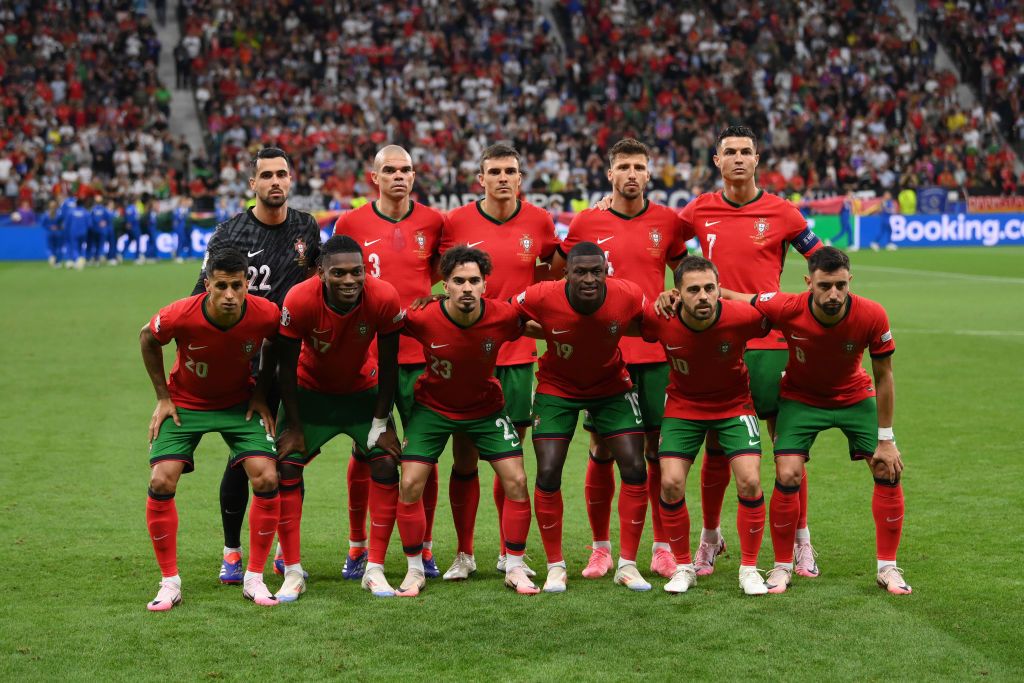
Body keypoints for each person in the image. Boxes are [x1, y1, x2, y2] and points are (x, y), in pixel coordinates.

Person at [677, 125, 823, 579]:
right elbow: (659, 239)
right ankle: (710, 537)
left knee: (787, 450)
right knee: (718, 444)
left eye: (745, 152)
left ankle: (802, 541)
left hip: (771, 341)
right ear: (716, 161)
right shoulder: (699, 210)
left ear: (757, 158)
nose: (738, 159)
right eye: (729, 152)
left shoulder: (783, 213)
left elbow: (820, 261)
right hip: (716, 342)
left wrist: (806, 307)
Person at [727, 246, 910, 595]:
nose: (834, 294)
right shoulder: (787, 307)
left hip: (854, 397)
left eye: (841, 285)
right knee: (787, 472)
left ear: (850, 280)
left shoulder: (871, 314)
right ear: (808, 281)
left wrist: (886, 438)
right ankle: (782, 566)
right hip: (801, 399)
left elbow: (884, 375)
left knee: (888, 467)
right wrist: (689, 292)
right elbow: (742, 297)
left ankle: (888, 568)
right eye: (825, 285)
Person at [561, 137, 692, 580]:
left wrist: (674, 294)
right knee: (601, 448)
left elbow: (684, 273)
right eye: (624, 166)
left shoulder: (668, 223)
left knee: (655, 451)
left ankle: (660, 548)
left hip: (656, 353)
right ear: (610, 174)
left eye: (639, 166)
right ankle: (600, 549)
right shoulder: (584, 224)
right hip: (605, 353)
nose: (632, 174)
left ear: (649, 173)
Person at [192, 147, 322, 585]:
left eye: (282, 174)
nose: (275, 182)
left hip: (293, 362)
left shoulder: (306, 227)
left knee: (289, 456)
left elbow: (319, 285)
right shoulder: (230, 233)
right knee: (240, 459)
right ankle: (232, 552)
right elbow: (200, 297)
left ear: (291, 179)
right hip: (246, 365)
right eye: (266, 175)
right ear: (252, 184)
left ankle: (288, 552)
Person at [439, 143, 561, 581]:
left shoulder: (540, 220)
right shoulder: (456, 222)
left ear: (520, 177)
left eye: (511, 171)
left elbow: (555, 271)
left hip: (517, 353)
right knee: (465, 456)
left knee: (508, 453)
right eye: (495, 171)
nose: (504, 178)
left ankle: (510, 553)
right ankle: (464, 552)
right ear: (481, 178)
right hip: (468, 355)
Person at [140, 246, 282, 611]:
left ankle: (254, 576)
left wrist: (262, 394)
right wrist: (163, 397)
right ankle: (169, 581)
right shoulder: (181, 314)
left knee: (266, 478)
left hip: (239, 404)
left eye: (237, 285)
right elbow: (147, 337)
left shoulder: (266, 313)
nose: (230, 295)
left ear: (248, 284)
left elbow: (278, 345)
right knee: (161, 481)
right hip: (186, 404)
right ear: (207, 285)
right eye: (221, 286)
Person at [395, 245, 539, 596]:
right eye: (458, 281)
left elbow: (542, 324)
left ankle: (515, 566)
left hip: (485, 409)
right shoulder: (422, 317)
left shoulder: (502, 316)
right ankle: (415, 570)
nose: (467, 288)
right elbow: (383, 324)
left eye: (474, 280)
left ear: (485, 285)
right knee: (410, 483)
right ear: (444, 285)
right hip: (432, 408)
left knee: (517, 480)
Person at [511, 242, 650, 594]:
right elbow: (505, 314)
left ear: (607, 271)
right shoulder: (542, 295)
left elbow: (651, 323)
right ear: (566, 274)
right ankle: (555, 567)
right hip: (557, 387)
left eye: (596, 271)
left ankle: (628, 565)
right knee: (547, 471)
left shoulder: (628, 293)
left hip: (611, 385)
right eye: (580, 272)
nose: (589, 279)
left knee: (635, 466)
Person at [332, 144, 444, 580]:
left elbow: (439, 272)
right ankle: (357, 545)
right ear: (373, 177)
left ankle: (426, 546)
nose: (400, 176)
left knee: (423, 453)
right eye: (390, 170)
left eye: (407, 170)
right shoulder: (351, 222)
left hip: (419, 355)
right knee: (365, 452)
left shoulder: (435, 222)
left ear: (415, 176)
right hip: (368, 355)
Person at [273, 235, 403, 600]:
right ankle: (292, 571)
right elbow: (284, 367)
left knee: (384, 465)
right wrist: (295, 427)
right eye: (339, 273)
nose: (350, 280)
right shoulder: (299, 299)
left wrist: (381, 423)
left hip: (362, 393)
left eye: (357, 272)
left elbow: (391, 364)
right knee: (286, 466)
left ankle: (374, 568)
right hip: (309, 393)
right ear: (320, 273)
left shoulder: (384, 296)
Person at [639, 256, 770, 595]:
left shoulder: (742, 317)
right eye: (693, 290)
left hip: (734, 404)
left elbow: (779, 318)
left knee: (751, 480)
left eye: (710, 289)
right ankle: (683, 567)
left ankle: (750, 570)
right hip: (684, 406)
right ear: (676, 294)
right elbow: (621, 325)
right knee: (669, 483)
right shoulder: (660, 320)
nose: (703, 297)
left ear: (719, 290)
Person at [42, 199, 62, 267]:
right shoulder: (59, 213)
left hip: (49, 233)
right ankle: (57, 262)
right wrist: (57, 227)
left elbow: (43, 224)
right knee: (58, 247)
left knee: (50, 247)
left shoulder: (46, 214)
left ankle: (51, 257)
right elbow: (62, 224)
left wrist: (49, 227)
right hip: (57, 233)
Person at [172, 196, 193, 263]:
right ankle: (178, 256)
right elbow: (176, 220)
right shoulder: (177, 210)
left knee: (189, 241)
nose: (185, 203)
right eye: (183, 201)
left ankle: (189, 256)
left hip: (188, 228)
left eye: (185, 201)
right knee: (181, 241)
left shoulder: (188, 210)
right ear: (180, 202)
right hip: (180, 228)